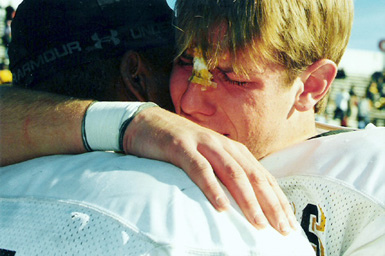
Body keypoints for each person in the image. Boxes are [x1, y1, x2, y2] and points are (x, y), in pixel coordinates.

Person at [0, 0, 296, 235]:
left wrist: (121, 124)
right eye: (182, 63)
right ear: (137, 79)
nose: (191, 99)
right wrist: (135, 122)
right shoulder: (203, 206)